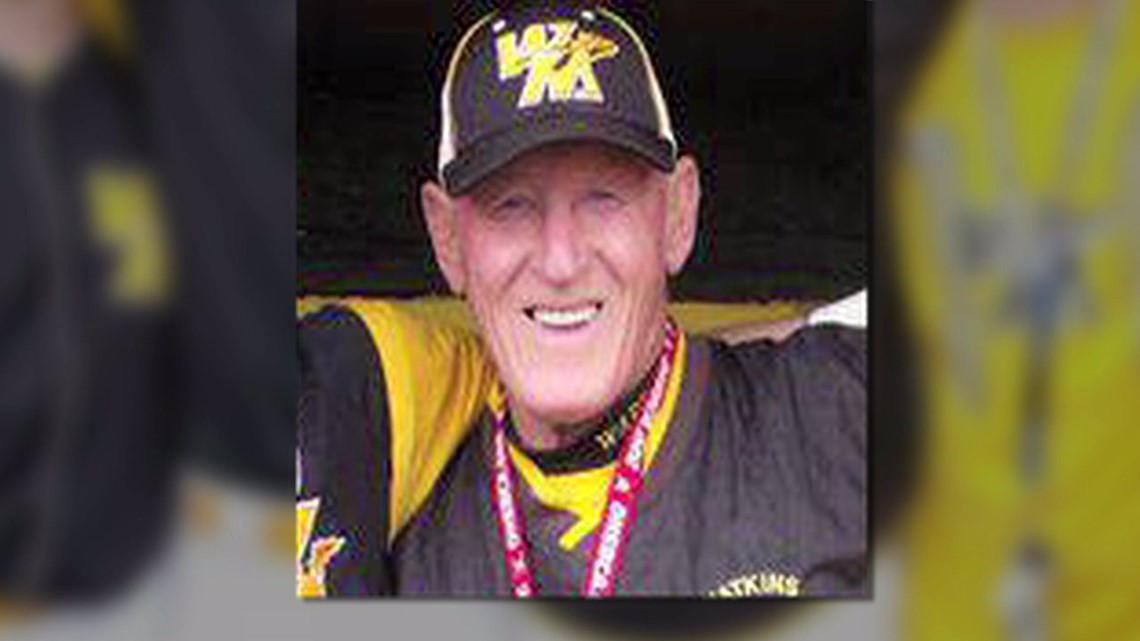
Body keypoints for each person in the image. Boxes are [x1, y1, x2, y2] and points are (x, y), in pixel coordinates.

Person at [296, 3, 866, 598]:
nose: (561, 260)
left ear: (678, 213)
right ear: (447, 240)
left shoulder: (840, 408)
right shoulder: (399, 503)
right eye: (510, 204)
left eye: (604, 196)